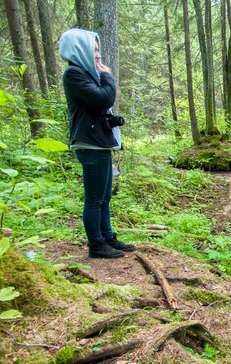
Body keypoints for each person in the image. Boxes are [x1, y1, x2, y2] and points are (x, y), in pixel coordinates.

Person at [59, 29, 135, 258]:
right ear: (79, 50)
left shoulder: (87, 73)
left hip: (99, 142)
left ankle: (108, 236)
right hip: (90, 144)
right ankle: (97, 244)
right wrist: (108, 75)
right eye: (94, 50)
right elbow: (105, 98)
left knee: (104, 196)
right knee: (94, 199)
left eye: (99, 50)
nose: (99, 55)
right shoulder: (74, 74)